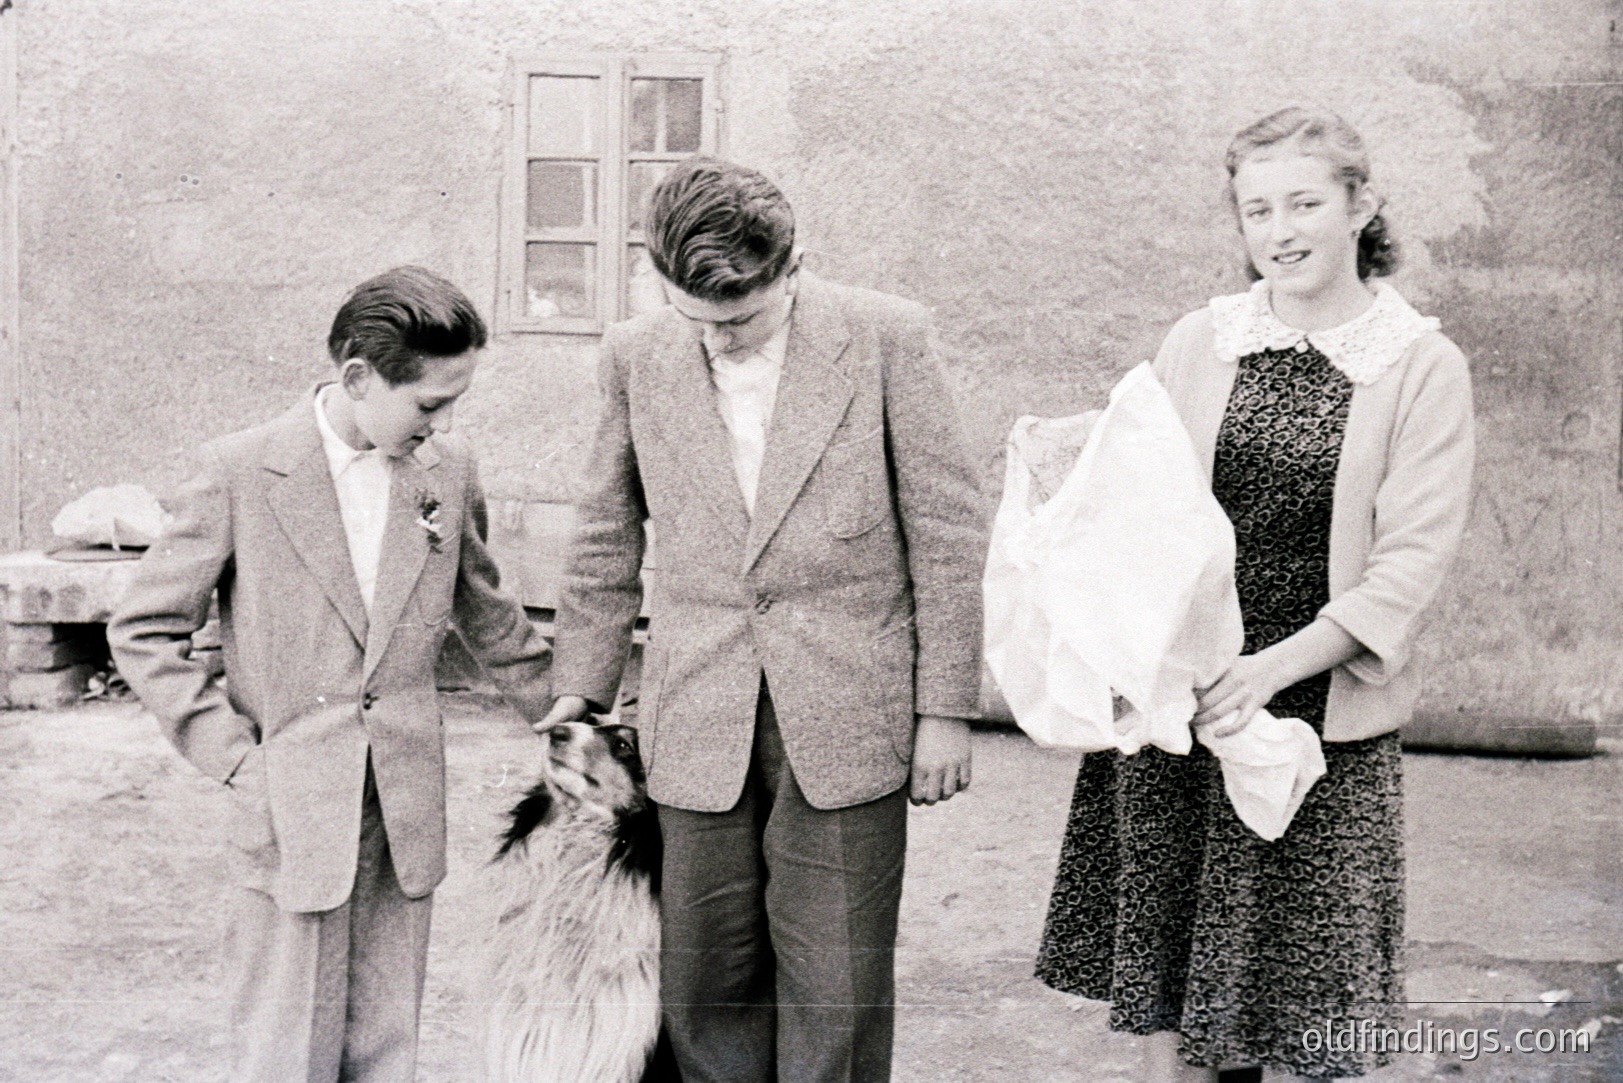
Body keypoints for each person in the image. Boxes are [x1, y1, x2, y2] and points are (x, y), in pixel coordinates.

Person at [1035, 108, 1475, 1080]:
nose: (1281, 229)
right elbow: (1134, 504)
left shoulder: (1419, 366)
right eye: (1257, 208)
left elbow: (1408, 564)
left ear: (1361, 206)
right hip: (1182, 711)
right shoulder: (1202, 339)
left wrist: (1270, 670)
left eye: (1305, 202)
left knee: (1300, 1013)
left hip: (1318, 717)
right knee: (1171, 996)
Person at [539, 157, 985, 1082]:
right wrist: (580, 687)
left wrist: (943, 708)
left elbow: (946, 530)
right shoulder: (633, 355)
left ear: (792, 268)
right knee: (704, 989)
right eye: (693, 318)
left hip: (849, 715)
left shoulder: (885, 337)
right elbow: (603, 529)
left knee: (837, 986)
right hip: (694, 714)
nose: (717, 339)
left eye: (739, 318)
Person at [107, 266, 555, 1082]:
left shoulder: (445, 472)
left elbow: (486, 611)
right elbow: (144, 627)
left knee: (387, 1044)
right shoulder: (241, 470)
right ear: (357, 377)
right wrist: (235, 759)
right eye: (427, 403)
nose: (443, 422)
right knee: (286, 1049)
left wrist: (568, 712)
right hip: (290, 806)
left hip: (403, 808)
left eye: (455, 403)